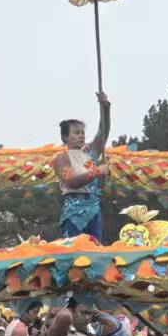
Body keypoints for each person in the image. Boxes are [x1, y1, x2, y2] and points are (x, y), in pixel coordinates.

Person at [52, 91, 111, 241]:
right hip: (73, 213)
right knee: (74, 251)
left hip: (94, 210)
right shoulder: (61, 159)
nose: (81, 135)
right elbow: (72, 181)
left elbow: (103, 131)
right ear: (65, 137)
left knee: (95, 250)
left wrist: (105, 107)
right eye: (76, 133)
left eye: (83, 132)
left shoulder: (91, 152)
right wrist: (97, 171)